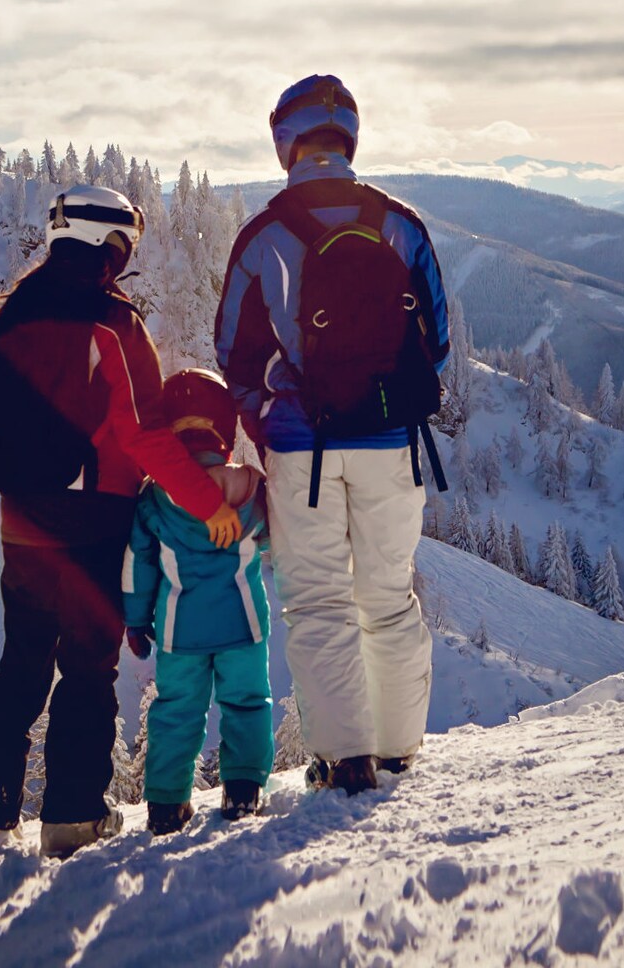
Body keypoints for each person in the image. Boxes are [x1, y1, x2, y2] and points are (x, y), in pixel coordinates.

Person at [0, 185, 242, 859]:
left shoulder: (12, 313)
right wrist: (208, 501)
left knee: (20, 660)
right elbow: (143, 433)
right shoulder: (112, 321)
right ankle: (72, 818)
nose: (123, 258)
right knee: (87, 664)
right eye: (122, 246)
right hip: (94, 515)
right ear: (101, 243)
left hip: (23, 513)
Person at [215, 74, 450, 794]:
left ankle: (345, 760)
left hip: (302, 443)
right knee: (387, 595)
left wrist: (266, 418)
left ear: (286, 142)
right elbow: (436, 342)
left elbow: (233, 351)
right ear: (348, 135)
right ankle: (400, 748)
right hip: (391, 444)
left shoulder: (264, 235)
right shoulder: (401, 224)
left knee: (317, 600)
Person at [124, 369, 274, 834]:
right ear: (224, 428)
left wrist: (135, 620)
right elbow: (271, 539)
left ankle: (167, 804)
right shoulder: (250, 486)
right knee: (247, 702)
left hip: (178, 630)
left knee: (175, 710)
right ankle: (244, 790)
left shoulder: (154, 498)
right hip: (243, 626)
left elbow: (138, 564)